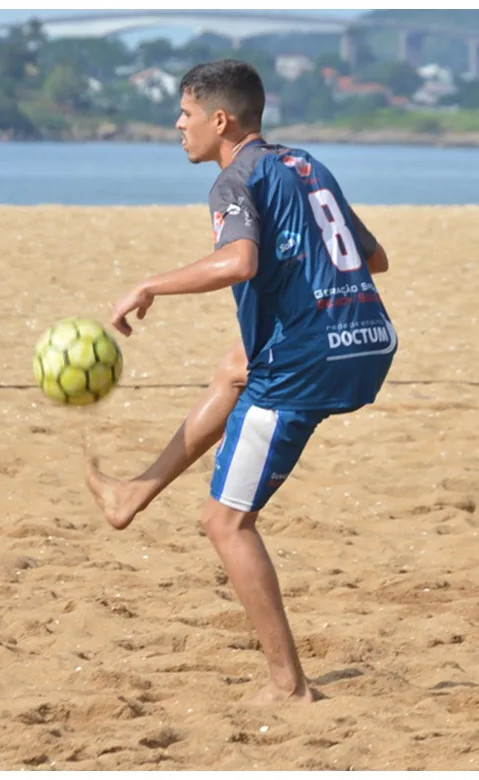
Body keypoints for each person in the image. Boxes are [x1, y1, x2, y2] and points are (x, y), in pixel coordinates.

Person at [85, 59, 396, 704]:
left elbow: (240, 260)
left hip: (309, 363)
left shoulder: (235, 178)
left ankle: (287, 686)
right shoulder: (305, 164)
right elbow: (375, 258)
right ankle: (131, 496)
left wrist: (149, 284)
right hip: (370, 340)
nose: (178, 124)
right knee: (236, 365)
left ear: (219, 119)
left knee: (225, 523)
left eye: (186, 112)